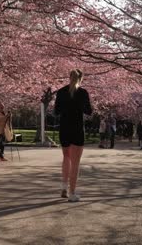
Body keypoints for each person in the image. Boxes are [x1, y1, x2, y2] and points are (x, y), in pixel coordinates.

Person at [54, 69, 92, 202]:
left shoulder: (61, 92)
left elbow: (56, 111)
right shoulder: (82, 93)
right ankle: (72, 193)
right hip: (77, 128)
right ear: (81, 78)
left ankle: (64, 187)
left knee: (66, 158)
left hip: (64, 128)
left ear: (69, 77)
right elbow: (89, 111)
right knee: (75, 163)